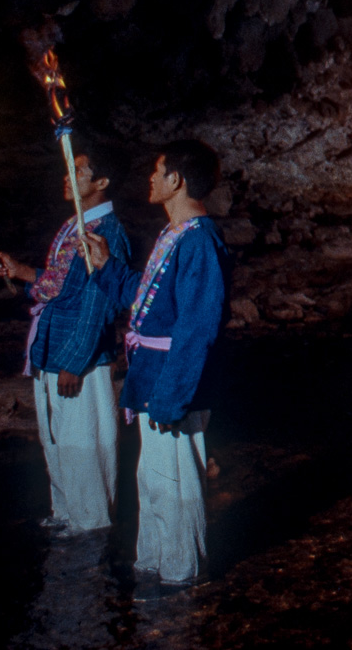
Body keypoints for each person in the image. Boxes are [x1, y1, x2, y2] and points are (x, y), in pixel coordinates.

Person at [82, 139, 228, 587]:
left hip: (172, 385)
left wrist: (171, 398)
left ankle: (183, 575)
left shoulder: (200, 242)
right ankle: (158, 565)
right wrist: (107, 267)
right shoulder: (173, 235)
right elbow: (146, 301)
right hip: (154, 379)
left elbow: (195, 329)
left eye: (158, 170)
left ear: (176, 181)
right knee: (155, 479)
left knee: (179, 480)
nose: (150, 177)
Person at [0, 148, 131, 535]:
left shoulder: (107, 230)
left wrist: (75, 358)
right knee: (57, 439)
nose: (68, 176)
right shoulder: (75, 225)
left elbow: (99, 300)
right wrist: (17, 270)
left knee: (82, 440)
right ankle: (68, 512)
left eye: (79, 170)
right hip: (52, 347)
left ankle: (91, 524)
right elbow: (60, 286)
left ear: (101, 183)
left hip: (75, 355)